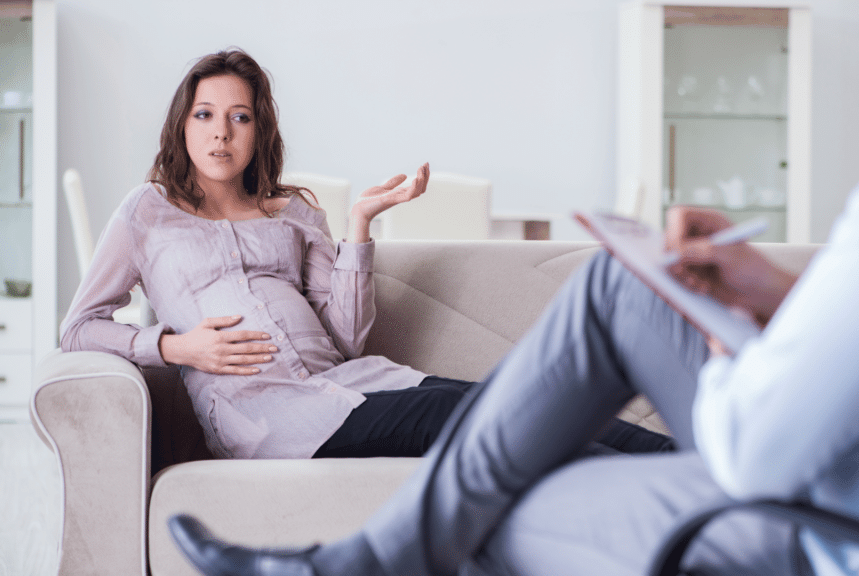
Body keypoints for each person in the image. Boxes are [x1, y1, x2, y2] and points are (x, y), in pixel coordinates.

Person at [168, 0, 859, 573]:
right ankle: (364, 560)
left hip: (847, 533)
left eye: (237, 114)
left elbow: (759, 447)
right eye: (206, 114)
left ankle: (365, 561)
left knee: (485, 500)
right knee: (619, 288)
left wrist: (724, 333)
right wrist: (770, 291)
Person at [60, 48, 675, 462]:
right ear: (183, 124)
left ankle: (674, 463)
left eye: (239, 116)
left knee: (515, 394)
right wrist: (176, 348)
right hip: (265, 413)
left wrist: (358, 226)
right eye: (205, 114)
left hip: (349, 383)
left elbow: (348, 342)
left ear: (259, 130)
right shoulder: (148, 212)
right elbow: (78, 329)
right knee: (460, 414)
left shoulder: (295, 212)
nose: (220, 132)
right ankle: (670, 469)